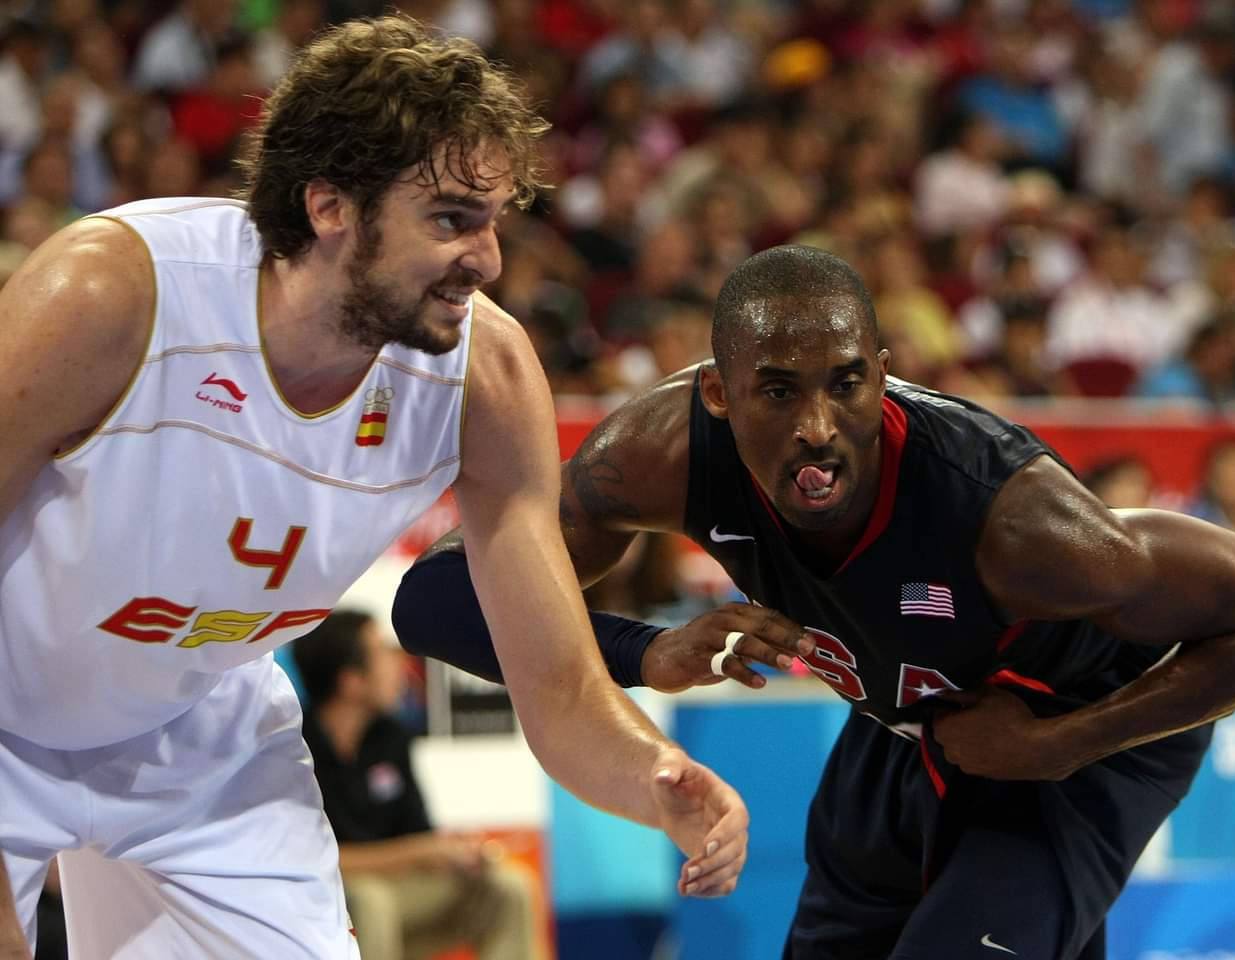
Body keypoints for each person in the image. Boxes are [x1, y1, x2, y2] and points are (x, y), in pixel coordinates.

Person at [0, 17, 747, 960]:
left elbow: (555, 689)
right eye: (450, 220)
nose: (488, 261)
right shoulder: (111, 295)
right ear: (330, 207)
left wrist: (657, 775)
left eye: (493, 222)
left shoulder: (487, 378)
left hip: (195, 729)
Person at [394, 245, 1235, 959]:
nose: (816, 429)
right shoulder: (664, 456)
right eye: (777, 392)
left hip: (1060, 745)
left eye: (846, 386)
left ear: (883, 375)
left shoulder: (1019, 521)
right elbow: (433, 601)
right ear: (718, 396)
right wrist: (649, 652)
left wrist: (1062, 744)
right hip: (898, 727)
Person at [292, 611, 536, 960]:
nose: (398, 662)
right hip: (325, 903)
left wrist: (454, 851)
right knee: (369, 901)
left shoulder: (391, 737)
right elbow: (314, 861)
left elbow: (417, 832)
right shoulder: (294, 749)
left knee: (508, 888)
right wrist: (422, 851)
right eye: (382, 652)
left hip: (397, 894)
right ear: (351, 681)